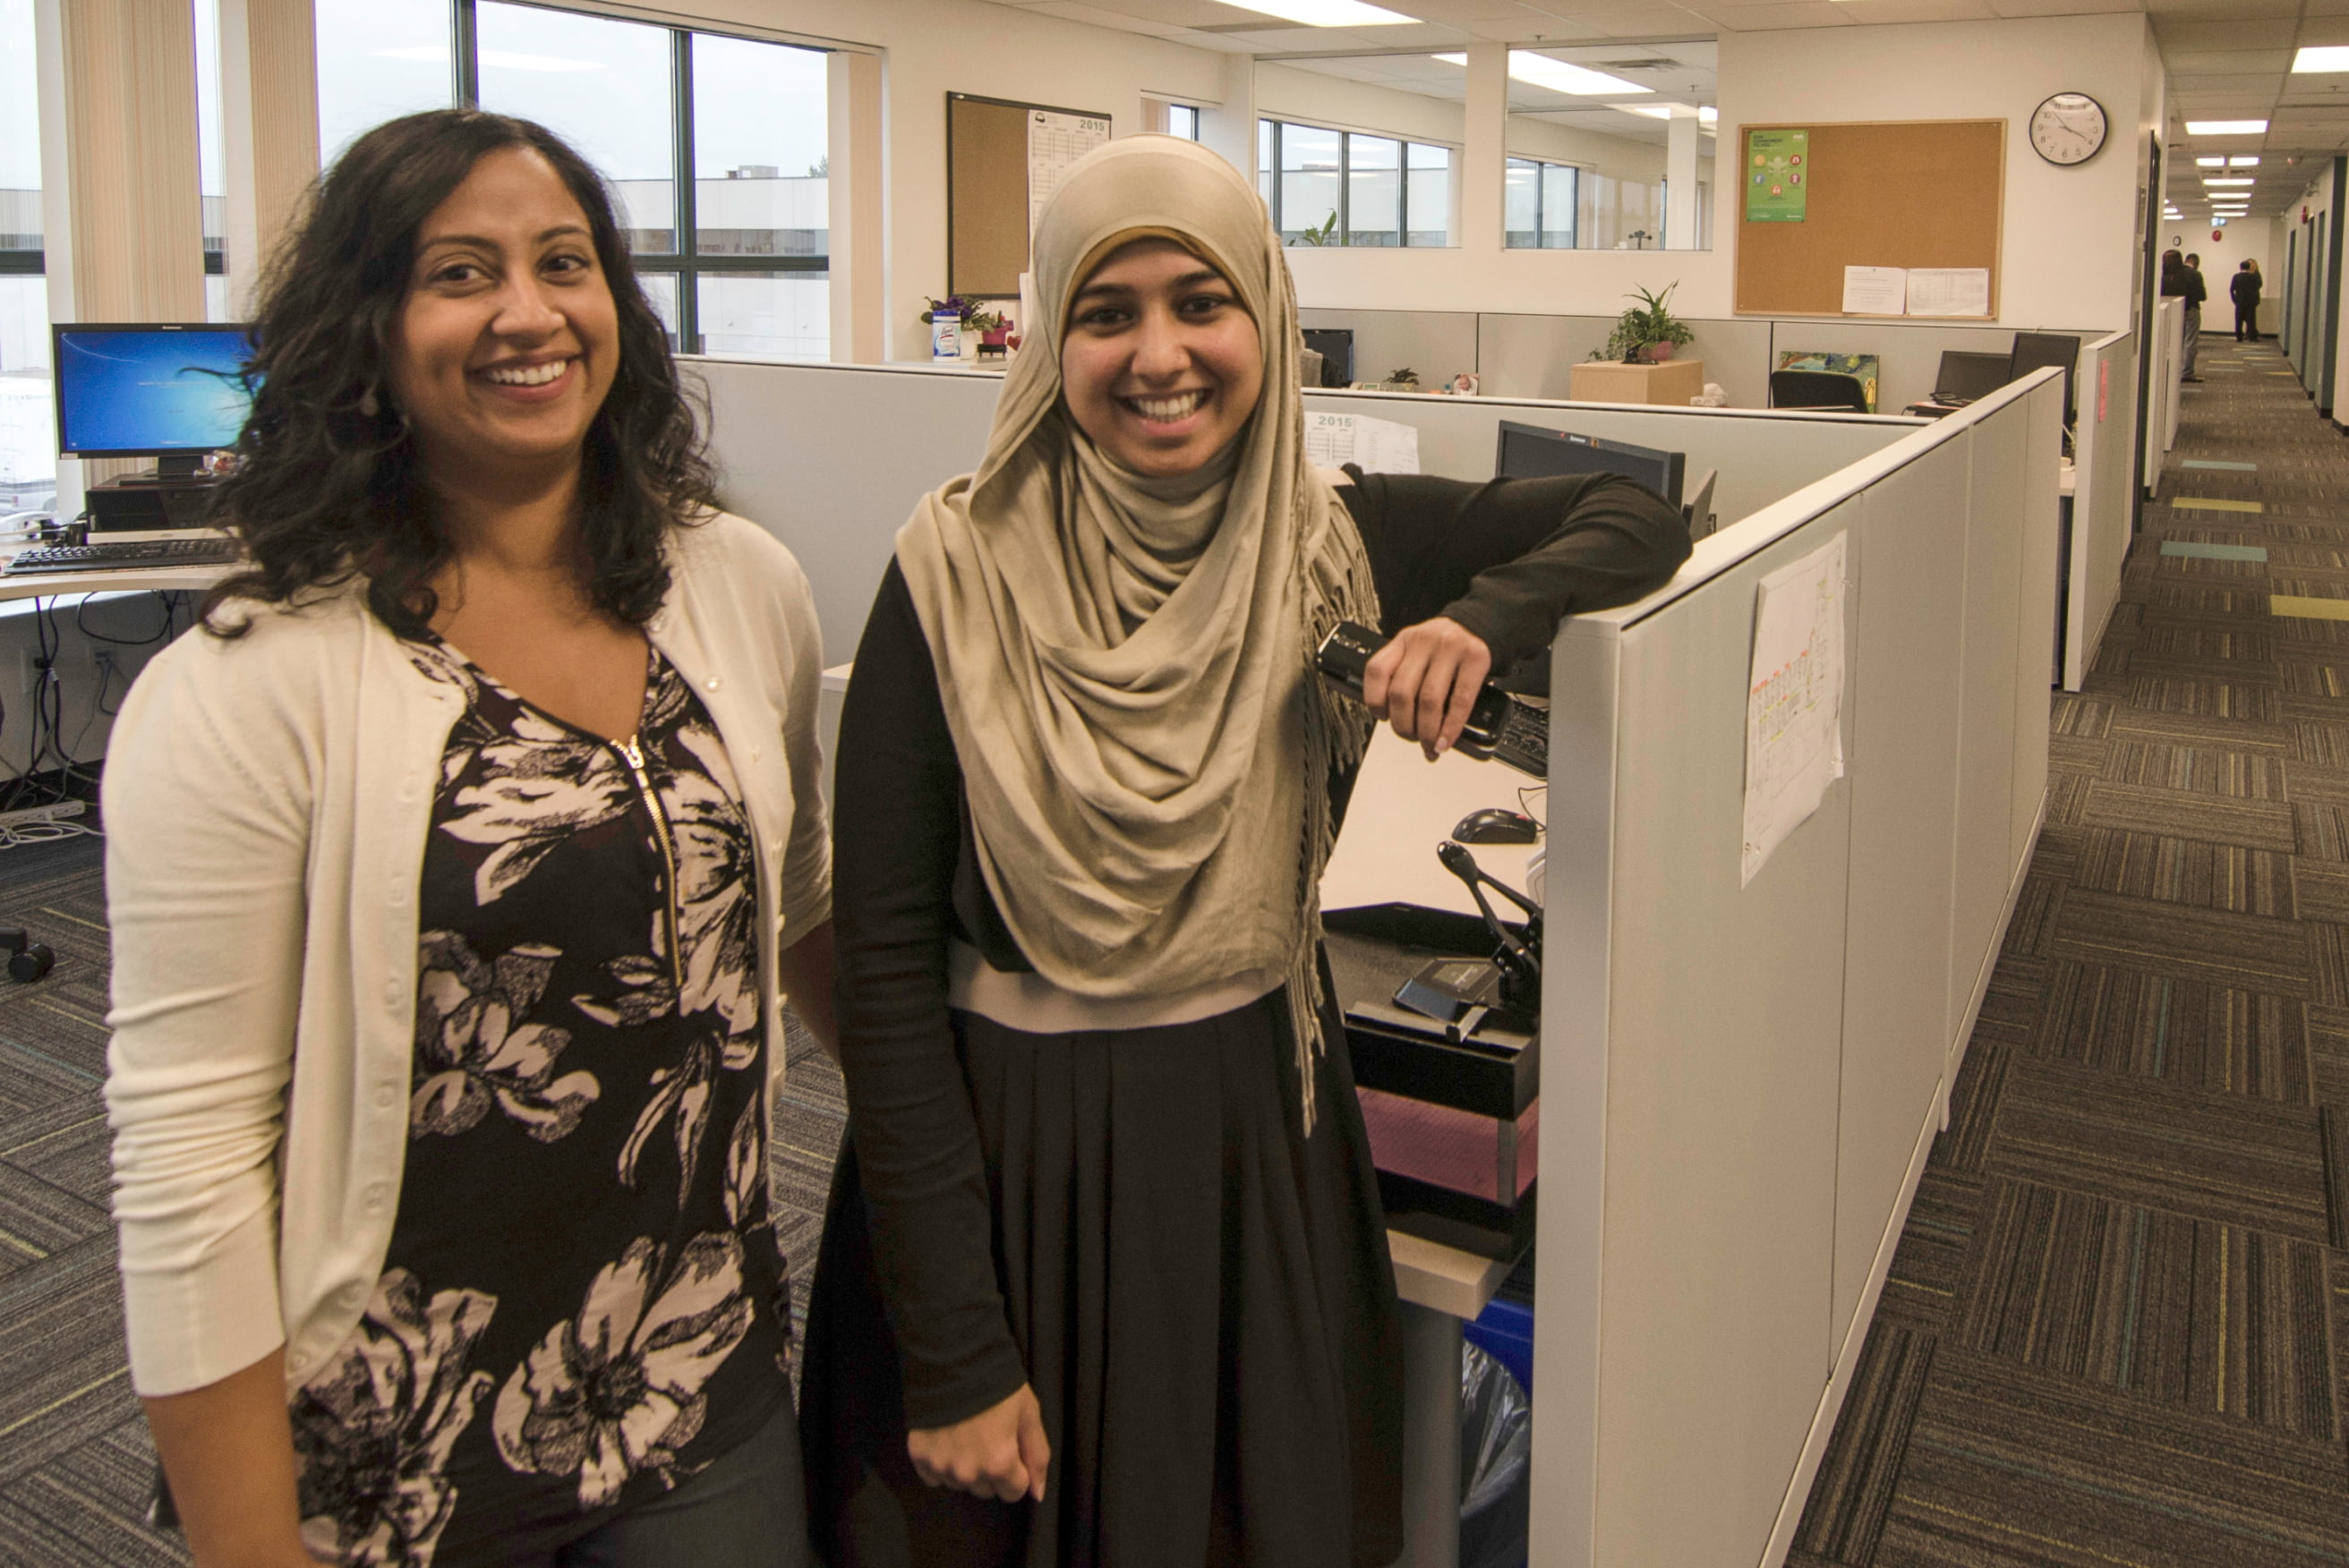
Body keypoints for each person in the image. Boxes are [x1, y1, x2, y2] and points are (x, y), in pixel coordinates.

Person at [798, 134, 1690, 1567]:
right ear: (1052, 341)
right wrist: (954, 1340)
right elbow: (889, 979)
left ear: (1265, 318)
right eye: (1108, 312)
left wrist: (1482, 619)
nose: (1162, 353)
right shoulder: (948, 574)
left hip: (1248, 1131)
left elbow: (1636, 512)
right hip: (1013, 1145)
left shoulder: (1335, 538)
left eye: (1202, 303)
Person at [103, 109, 835, 1568]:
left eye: (562, 261)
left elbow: (800, 911)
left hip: (694, 1375)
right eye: (460, 271)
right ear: (367, 330)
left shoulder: (734, 584)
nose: (526, 310)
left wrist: (957, 1193)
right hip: (390, 1443)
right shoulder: (250, 684)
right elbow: (187, 1156)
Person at [2162, 247, 2206, 381]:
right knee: (2190, 342)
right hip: (2191, 310)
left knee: (2170, 341)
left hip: (2167, 311)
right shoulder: (2193, 274)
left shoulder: (2161, 276)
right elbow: (2202, 295)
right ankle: (2187, 371)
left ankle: (2168, 369)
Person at [2233, 258, 2263, 341]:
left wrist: (2235, 299)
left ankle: (2248, 335)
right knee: (2246, 319)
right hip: (2246, 300)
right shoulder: (2248, 276)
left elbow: (2232, 289)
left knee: (2247, 319)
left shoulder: (2254, 275)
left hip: (2247, 300)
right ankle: (2250, 335)